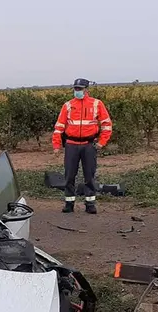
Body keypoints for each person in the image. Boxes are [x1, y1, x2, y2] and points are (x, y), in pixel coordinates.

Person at [52, 78, 113, 214]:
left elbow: (106, 124)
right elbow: (59, 127)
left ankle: (90, 203)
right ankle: (69, 203)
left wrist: (102, 142)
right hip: (71, 145)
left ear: (87, 90)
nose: (77, 91)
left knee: (89, 175)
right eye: (75, 88)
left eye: (80, 89)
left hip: (89, 145)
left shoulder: (97, 104)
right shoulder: (68, 105)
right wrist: (56, 145)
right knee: (69, 175)